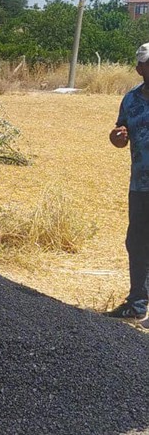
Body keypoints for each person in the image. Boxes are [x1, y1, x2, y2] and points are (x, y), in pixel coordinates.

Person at [106, 42, 149, 320]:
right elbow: (119, 132)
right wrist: (117, 137)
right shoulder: (131, 100)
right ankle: (137, 305)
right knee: (137, 242)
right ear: (139, 68)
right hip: (141, 187)